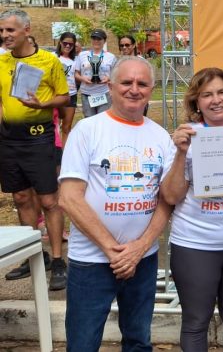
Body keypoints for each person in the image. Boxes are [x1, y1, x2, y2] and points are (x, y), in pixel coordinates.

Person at [58, 56, 175, 352]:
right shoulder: (87, 130)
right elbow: (69, 198)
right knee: (82, 344)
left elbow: (167, 200)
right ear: (110, 86)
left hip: (143, 259)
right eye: (126, 82)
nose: (134, 89)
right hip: (92, 261)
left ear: (151, 89)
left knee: (138, 341)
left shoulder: (161, 137)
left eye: (142, 83)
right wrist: (113, 250)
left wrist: (139, 248)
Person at [161, 68, 223, 351]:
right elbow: (170, 195)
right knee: (195, 322)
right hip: (195, 243)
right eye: (206, 95)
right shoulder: (187, 137)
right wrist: (181, 152)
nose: (215, 100)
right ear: (196, 102)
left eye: (221, 92)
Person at [0, 9, 69, 290]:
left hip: (39, 138)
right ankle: (32, 256)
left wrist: (42, 105)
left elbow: (64, 96)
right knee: (20, 197)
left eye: (10, 31)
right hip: (8, 141)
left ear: (26, 30)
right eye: (2, 31)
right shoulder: (2, 62)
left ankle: (57, 260)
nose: (5, 36)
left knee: (50, 201)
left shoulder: (48, 61)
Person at [74, 28, 116, 117]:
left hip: (104, 93)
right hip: (86, 93)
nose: (96, 41)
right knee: (89, 120)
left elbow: (116, 74)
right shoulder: (82, 55)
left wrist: (109, 78)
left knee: (103, 119)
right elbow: (76, 73)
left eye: (99, 39)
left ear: (104, 41)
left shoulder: (111, 57)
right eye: (94, 38)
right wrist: (82, 78)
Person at [57, 31, 79, 145]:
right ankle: (54, 154)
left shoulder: (76, 60)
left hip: (71, 95)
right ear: (60, 42)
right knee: (54, 127)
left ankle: (65, 153)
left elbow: (77, 75)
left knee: (66, 127)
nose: (67, 46)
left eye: (71, 44)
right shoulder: (53, 57)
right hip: (56, 95)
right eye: (65, 43)